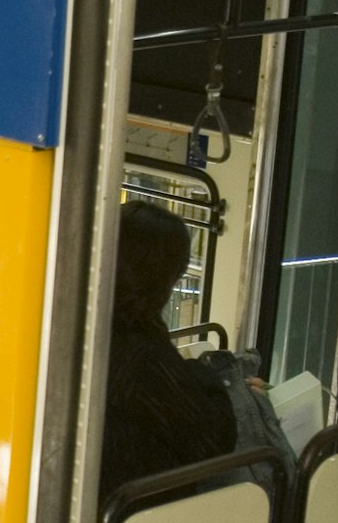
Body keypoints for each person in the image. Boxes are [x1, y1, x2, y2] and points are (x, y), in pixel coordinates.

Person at [99, 199, 242, 497]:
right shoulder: (139, 355)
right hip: (135, 513)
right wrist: (221, 384)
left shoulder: (87, 325)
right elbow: (213, 440)